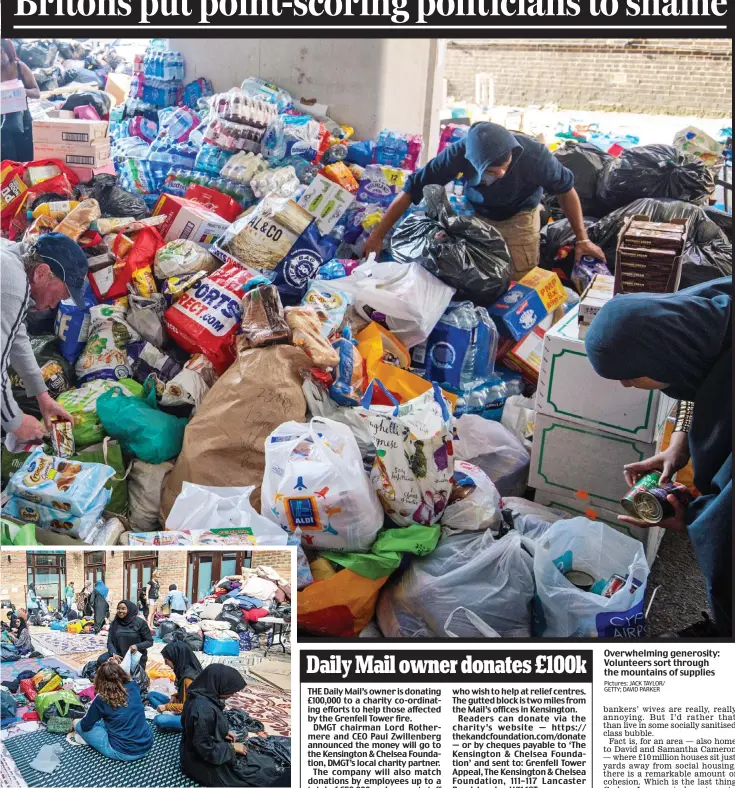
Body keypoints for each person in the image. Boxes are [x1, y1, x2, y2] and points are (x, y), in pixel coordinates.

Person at [585, 277, 732, 637]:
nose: (625, 385)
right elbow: (699, 381)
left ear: (662, 355)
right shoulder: (703, 318)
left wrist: (693, 519)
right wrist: (677, 446)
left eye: (632, 376)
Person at [362, 121, 606, 279]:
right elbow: (411, 189)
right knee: (478, 278)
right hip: (478, 216)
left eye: (505, 167)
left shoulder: (535, 156)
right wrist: (377, 235)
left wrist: (582, 239)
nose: (499, 174)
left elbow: (566, 190)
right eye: (490, 171)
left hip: (520, 216)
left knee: (520, 283)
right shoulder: (458, 154)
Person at [1, 233, 88, 441]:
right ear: (42, 273)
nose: (53, 305)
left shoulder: (13, 256)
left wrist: (42, 395)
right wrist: (16, 421)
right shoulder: (13, 287)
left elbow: (16, 335)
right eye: (58, 296)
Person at [73, 661, 153, 761]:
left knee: (77, 723)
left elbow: (85, 725)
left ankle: (88, 740)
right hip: (147, 744)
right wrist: (113, 666)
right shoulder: (134, 686)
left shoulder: (102, 699)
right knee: (107, 722)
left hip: (123, 751)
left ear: (99, 680)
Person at [147, 641, 202, 732]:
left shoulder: (188, 679)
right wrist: (175, 695)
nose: (165, 663)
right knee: (151, 695)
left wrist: (167, 707)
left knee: (159, 720)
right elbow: (187, 694)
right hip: (183, 705)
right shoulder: (185, 670)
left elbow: (188, 707)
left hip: (191, 716)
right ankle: (168, 714)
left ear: (176, 658)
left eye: (167, 660)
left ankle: (170, 716)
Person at [0, 39, 40, 162]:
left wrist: (21, 91)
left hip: (22, 119)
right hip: (2, 121)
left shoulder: (20, 67)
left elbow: (36, 92)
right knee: (7, 158)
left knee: (25, 156)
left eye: (1, 52)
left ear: (9, 51)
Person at [98, 601, 154, 670]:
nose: (120, 611)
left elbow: (149, 641)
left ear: (130, 609)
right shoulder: (115, 623)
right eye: (118, 608)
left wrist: (137, 646)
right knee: (101, 660)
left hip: (135, 656)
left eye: (123, 609)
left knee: (132, 675)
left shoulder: (140, 623)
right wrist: (114, 654)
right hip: (118, 654)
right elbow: (110, 642)